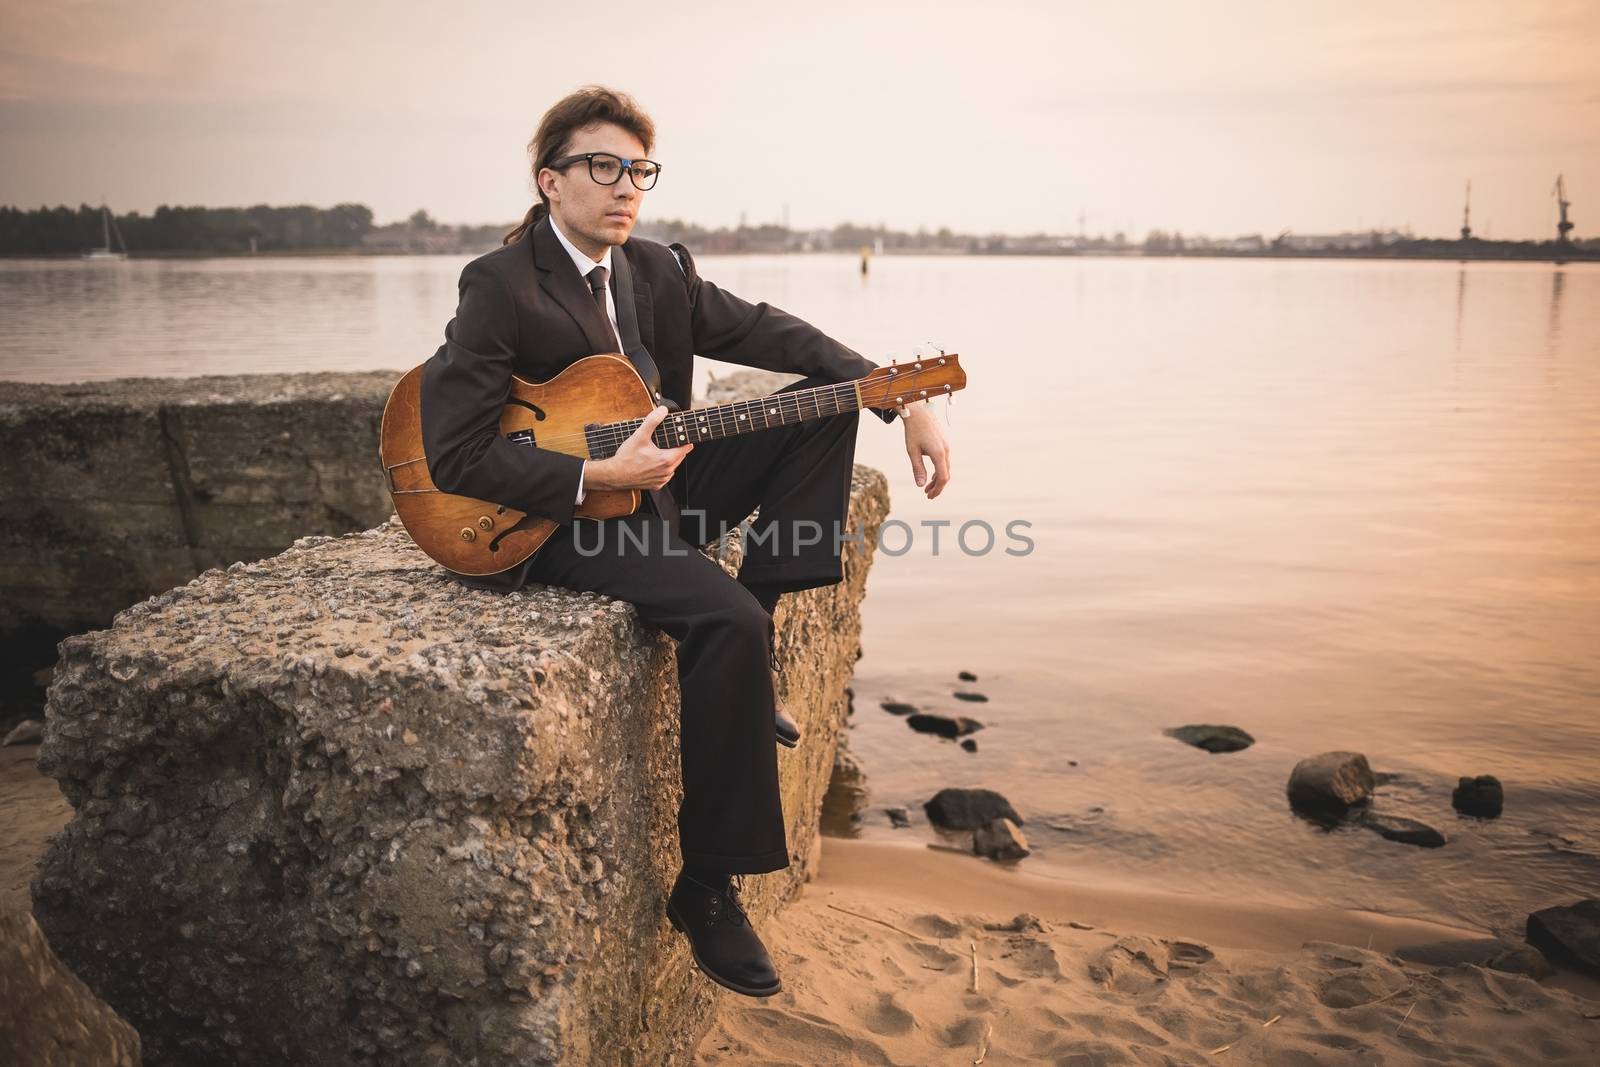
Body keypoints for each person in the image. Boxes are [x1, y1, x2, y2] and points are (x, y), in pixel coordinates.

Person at [418, 85, 951, 998]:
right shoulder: (499, 285)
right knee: (724, 618)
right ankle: (708, 885)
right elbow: (453, 452)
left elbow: (772, 332)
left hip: (656, 491)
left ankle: (762, 648)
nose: (625, 185)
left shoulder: (657, 268)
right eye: (602, 166)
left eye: (638, 170)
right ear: (550, 181)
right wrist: (598, 476)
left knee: (817, 414)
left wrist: (897, 395)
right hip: (556, 519)